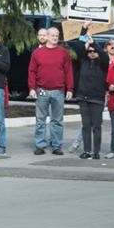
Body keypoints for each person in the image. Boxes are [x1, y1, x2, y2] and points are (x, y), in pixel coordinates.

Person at [28, 27, 73, 155]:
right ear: (46, 36)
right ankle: (40, 145)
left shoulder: (63, 53)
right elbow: (32, 71)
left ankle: (56, 145)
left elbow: (68, 71)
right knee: (40, 120)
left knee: (57, 120)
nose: (55, 38)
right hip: (41, 90)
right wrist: (32, 88)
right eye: (52, 35)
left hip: (58, 91)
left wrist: (70, 89)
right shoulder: (37, 53)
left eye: (57, 36)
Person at [74, 32, 109, 159]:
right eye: (90, 51)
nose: (92, 53)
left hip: (97, 99)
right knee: (86, 126)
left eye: (94, 51)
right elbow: (79, 49)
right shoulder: (83, 61)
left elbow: (104, 56)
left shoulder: (103, 63)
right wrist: (83, 31)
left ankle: (96, 152)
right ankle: (87, 150)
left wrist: (93, 43)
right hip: (83, 97)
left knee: (96, 126)